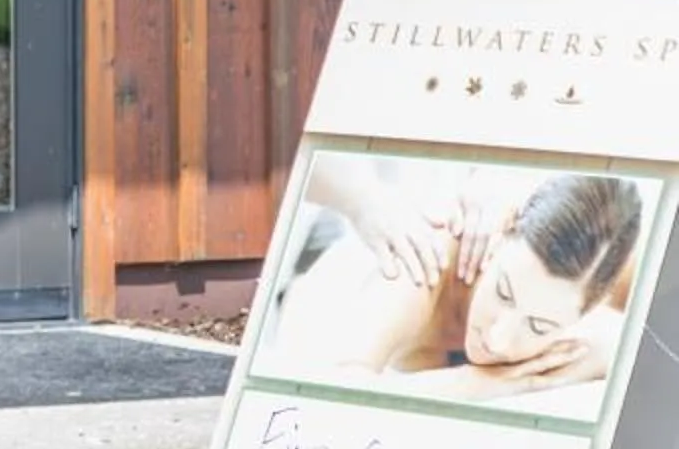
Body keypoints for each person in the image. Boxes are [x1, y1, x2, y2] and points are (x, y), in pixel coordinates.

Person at [265, 157, 643, 399]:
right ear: (499, 235)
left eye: (541, 326)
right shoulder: (423, 266)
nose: (498, 341)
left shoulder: (601, 264)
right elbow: (336, 396)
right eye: (503, 292)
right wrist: (482, 383)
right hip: (312, 309)